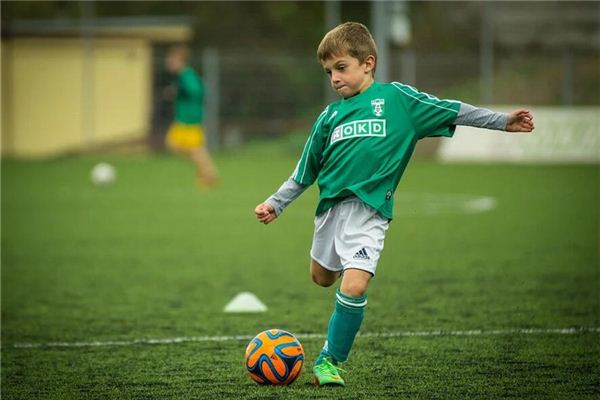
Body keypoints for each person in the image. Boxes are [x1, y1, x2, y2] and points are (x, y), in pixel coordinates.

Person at [254, 22, 534, 387]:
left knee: (353, 287)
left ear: (368, 63)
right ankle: (343, 273)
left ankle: (329, 360)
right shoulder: (329, 117)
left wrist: (502, 121)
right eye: (328, 72)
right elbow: (304, 171)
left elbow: (453, 110)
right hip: (330, 213)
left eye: (341, 67)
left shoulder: (399, 101)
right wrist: (276, 204)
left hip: (370, 213)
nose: (334, 78)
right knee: (322, 278)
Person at [164, 45, 218, 188]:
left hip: (189, 118)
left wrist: (179, 91)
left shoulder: (186, 75)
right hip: (184, 117)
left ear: (180, 61)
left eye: (172, 60)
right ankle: (206, 171)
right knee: (177, 146)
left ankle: (208, 173)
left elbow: (196, 91)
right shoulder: (183, 76)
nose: (169, 63)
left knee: (193, 148)